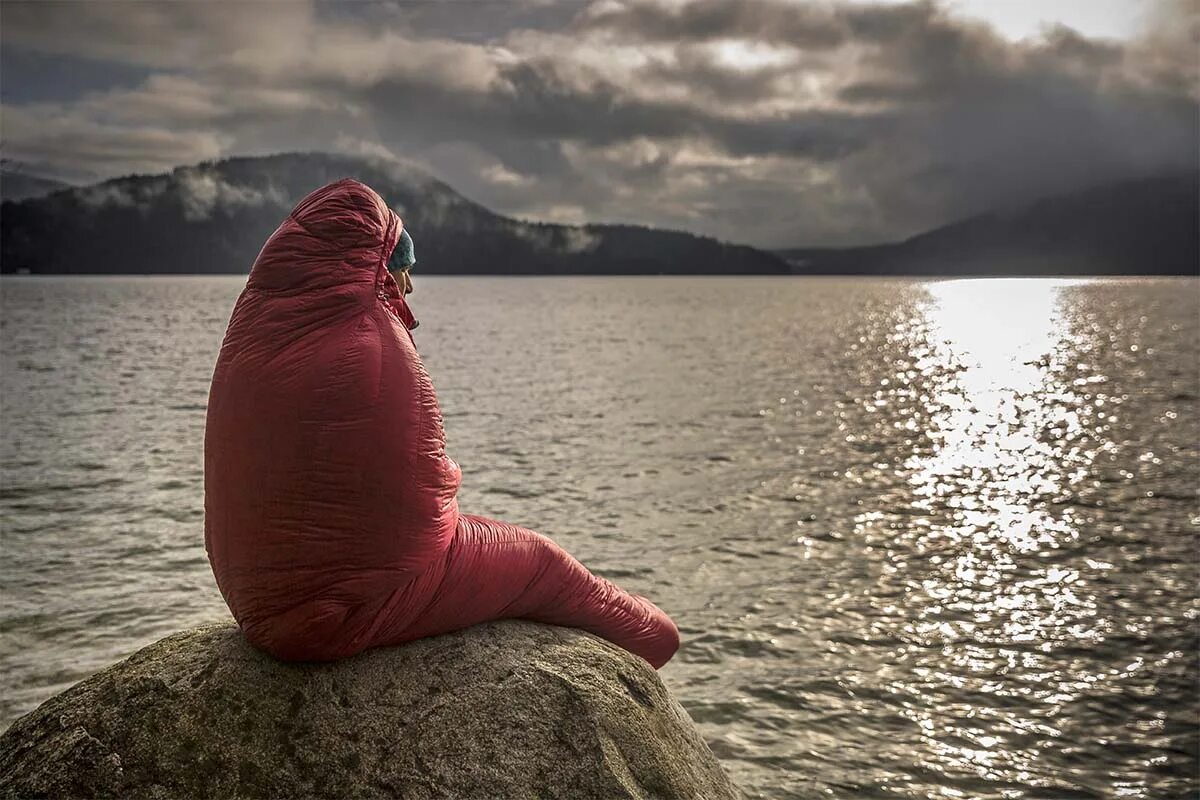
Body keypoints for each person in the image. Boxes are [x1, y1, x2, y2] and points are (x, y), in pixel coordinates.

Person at [204, 178, 680, 669]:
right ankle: (655, 641)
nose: (408, 285)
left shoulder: (257, 327)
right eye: (401, 268)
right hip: (335, 611)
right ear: (374, 266)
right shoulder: (376, 343)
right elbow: (424, 491)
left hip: (252, 597)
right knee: (542, 562)